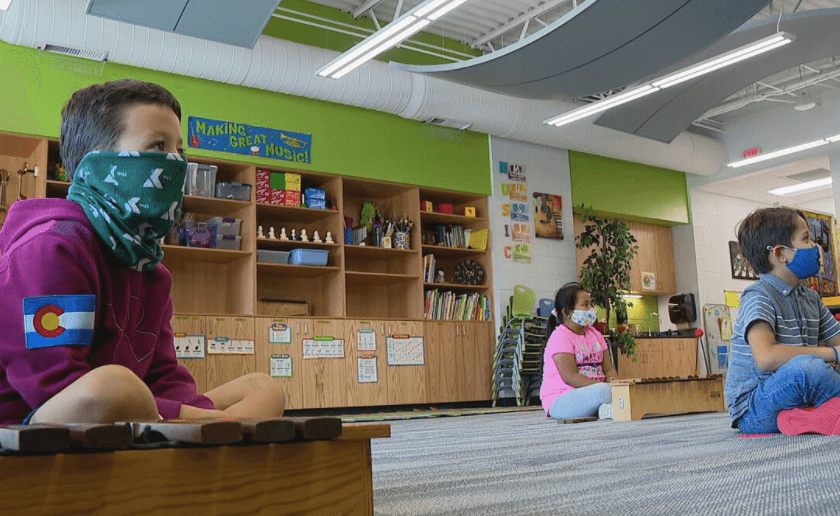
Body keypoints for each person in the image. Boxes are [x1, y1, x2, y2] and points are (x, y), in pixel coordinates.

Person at [0, 79, 285, 424]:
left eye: (179, 149)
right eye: (158, 146)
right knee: (115, 386)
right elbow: (53, 386)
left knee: (264, 389)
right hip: (30, 423)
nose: (176, 162)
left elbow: (164, 376)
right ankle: (211, 433)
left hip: (129, 416)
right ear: (102, 163)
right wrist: (190, 418)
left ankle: (203, 437)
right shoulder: (51, 248)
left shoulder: (150, 269)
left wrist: (186, 410)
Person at [725, 207, 840, 435]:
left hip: (794, 401)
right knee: (806, 370)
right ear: (780, 254)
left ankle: (807, 418)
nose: (815, 246)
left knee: (810, 370)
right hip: (754, 410)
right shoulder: (758, 296)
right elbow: (767, 357)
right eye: (806, 238)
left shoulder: (810, 297)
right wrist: (833, 354)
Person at [540, 282, 617, 420]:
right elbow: (570, 376)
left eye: (591, 304)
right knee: (605, 391)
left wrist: (616, 385)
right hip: (562, 400)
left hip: (592, 393)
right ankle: (605, 407)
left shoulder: (595, 334)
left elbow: (609, 369)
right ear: (567, 312)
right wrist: (608, 388)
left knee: (625, 390)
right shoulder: (560, 337)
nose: (591, 308)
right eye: (585, 305)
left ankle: (603, 409)